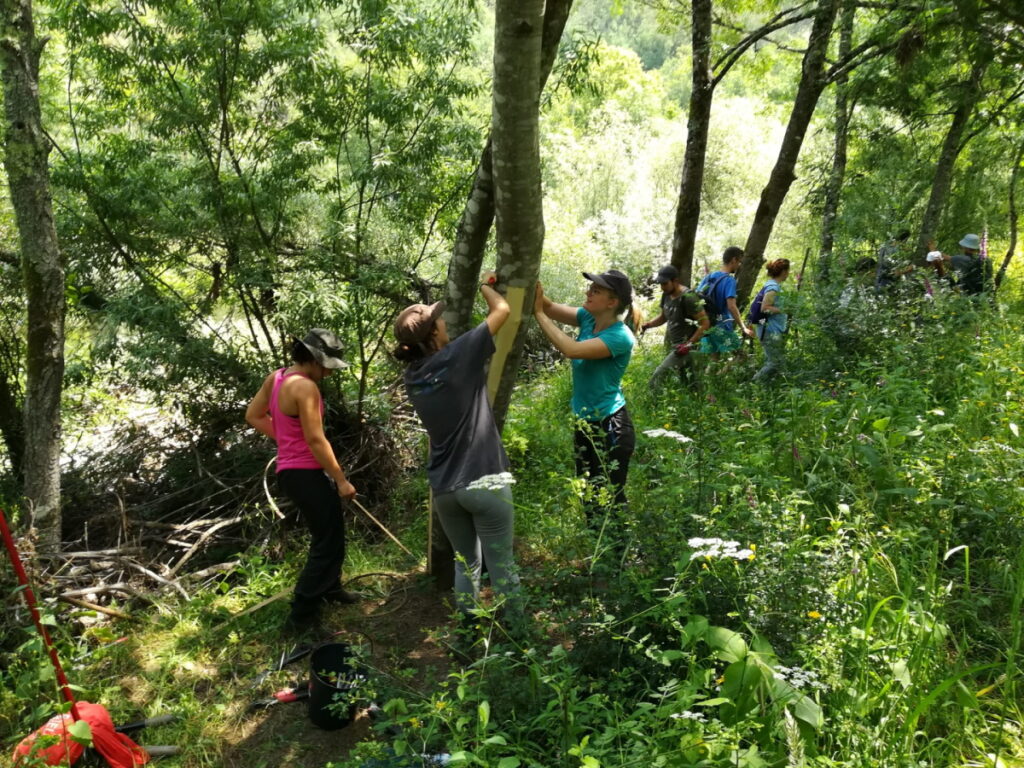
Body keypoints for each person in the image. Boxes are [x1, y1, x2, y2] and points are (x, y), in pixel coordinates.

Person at [393, 273, 520, 621]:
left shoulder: (412, 378)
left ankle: (465, 635)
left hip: (445, 488)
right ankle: (519, 638)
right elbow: (503, 309)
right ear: (433, 333)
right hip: (485, 477)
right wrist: (485, 285)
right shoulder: (458, 354)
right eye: (438, 319)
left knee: (466, 564)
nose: (444, 320)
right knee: (502, 565)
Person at [246, 329, 358, 635]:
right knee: (326, 541)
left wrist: (285, 441)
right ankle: (301, 617)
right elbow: (315, 439)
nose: (328, 373)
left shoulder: (278, 377)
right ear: (312, 360)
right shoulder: (306, 388)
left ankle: (331, 588)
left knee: (331, 530)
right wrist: (341, 480)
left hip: (291, 472)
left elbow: (254, 416)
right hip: (305, 473)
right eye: (326, 366)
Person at [533, 270, 638, 551]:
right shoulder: (588, 318)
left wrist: (539, 315)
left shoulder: (620, 337)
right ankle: (598, 553)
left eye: (596, 290)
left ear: (612, 302)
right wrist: (523, 282)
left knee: (611, 496)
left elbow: (572, 349)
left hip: (611, 425)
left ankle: (619, 559)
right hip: (585, 424)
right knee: (588, 493)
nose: (588, 292)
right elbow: (549, 306)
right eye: (590, 287)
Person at [640, 264, 709, 390]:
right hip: (677, 347)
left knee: (657, 377)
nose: (662, 287)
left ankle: (652, 404)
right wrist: (647, 325)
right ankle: (700, 405)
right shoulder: (666, 294)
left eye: (665, 283)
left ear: (675, 281)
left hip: (688, 348)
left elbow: (705, 323)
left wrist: (688, 344)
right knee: (691, 384)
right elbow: (663, 317)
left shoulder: (689, 298)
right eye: (660, 284)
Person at [695, 246, 755, 362]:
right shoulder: (729, 280)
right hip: (721, 325)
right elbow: (731, 306)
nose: (739, 265)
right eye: (739, 262)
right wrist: (743, 327)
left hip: (707, 324)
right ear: (733, 260)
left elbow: (697, 297)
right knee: (741, 356)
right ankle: (719, 375)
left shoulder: (709, 277)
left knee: (714, 358)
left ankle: (712, 379)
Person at [751, 259, 790, 382]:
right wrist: (785, 309)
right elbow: (765, 308)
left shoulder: (773, 285)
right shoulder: (773, 287)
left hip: (773, 329)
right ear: (783, 271)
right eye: (788, 271)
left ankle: (787, 384)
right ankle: (754, 383)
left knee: (778, 360)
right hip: (769, 330)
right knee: (774, 362)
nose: (788, 273)